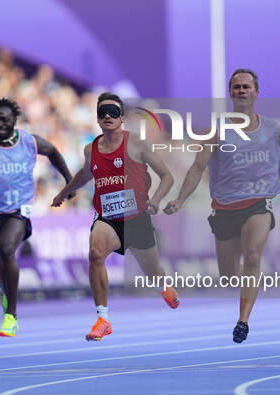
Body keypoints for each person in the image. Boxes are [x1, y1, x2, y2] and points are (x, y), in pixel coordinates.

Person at [164, 69, 280, 343]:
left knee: (253, 255)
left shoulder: (271, 128)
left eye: (246, 86)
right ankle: (250, 281)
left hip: (258, 204)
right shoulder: (216, 129)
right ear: (231, 93)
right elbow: (197, 169)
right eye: (236, 87)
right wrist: (180, 199)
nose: (241, 91)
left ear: (256, 92)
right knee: (229, 277)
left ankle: (242, 321)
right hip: (225, 208)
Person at [51, 92, 178, 342]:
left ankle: (163, 287)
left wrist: (155, 200)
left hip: (137, 218)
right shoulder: (90, 149)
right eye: (102, 112)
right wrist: (65, 191)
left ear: (122, 118)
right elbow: (85, 174)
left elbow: (168, 177)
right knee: (95, 254)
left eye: (113, 112)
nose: (107, 116)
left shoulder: (137, 144)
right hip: (108, 217)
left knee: (152, 271)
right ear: (97, 119)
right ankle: (103, 318)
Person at [0, 98, 73, 337]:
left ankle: (11, 315)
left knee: (7, 249)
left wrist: (69, 181)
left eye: (4, 120)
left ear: (14, 122)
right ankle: (5, 290)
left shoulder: (28, 142)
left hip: (18, 211)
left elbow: (52, 151)